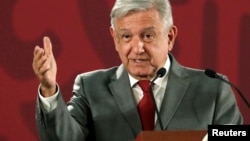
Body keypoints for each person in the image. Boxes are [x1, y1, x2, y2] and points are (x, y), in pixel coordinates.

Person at [32, 0, 243, 141]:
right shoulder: (91, 88)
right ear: (115, 39)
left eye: (148, 36)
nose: (137, 48)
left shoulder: (214, 89)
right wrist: (49, 89)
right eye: (126, 37)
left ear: (170, 37)